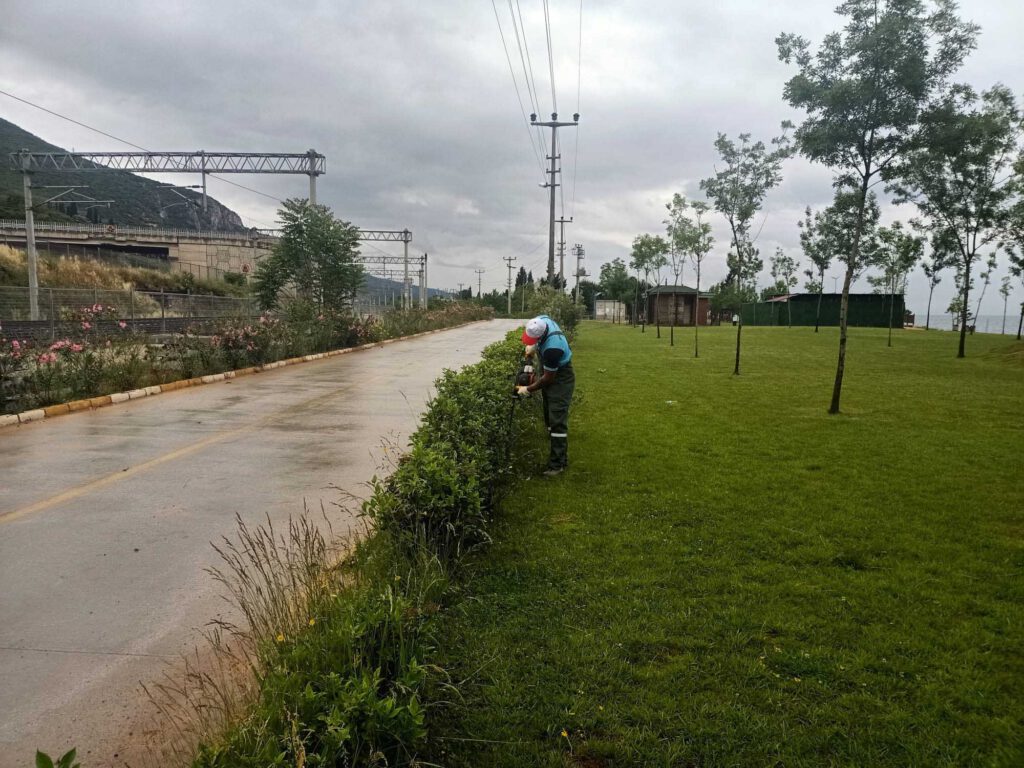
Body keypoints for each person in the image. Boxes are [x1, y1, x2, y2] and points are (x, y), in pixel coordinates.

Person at [515, 315, 575, 476]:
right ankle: (555, 445)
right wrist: (532, 349)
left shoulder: (553, 349)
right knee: (548, 411)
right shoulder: (542, 320)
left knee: (557, 420)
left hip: (561, 377)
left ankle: (557, 464)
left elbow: (548, 378)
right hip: (550, 370)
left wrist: (528, 389)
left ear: (541, 335)